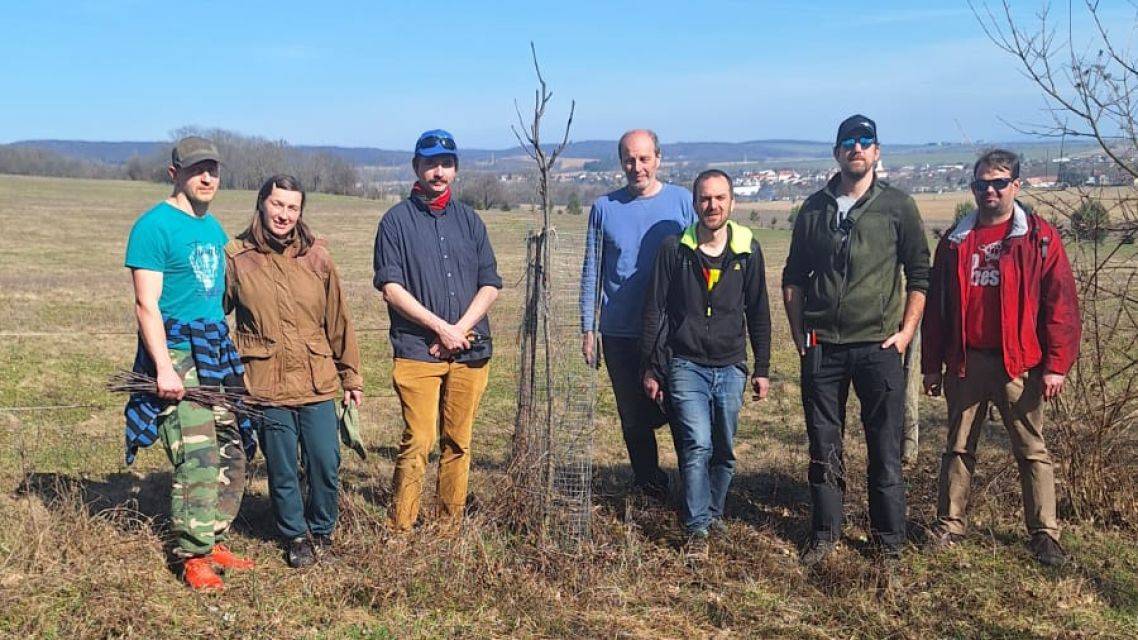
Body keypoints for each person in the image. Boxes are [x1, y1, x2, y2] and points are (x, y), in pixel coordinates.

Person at [781, 115, 930, 571]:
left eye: (866, 141)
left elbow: (919, 274)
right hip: (822, 346)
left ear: (877, 152)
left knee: (884, 447)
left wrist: (905, 333)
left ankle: (889, 542)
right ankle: (825, 533)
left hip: (878, 348)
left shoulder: (898, 207)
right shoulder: (814, 209)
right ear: (837, 153)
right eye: (849, 142)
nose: (857, 148)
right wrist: (798, 332)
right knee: (823, 445)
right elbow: (793, 277)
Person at [922, 149, 1080, 567]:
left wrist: (1056, 364)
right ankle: (950, 524)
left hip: (1020, 363)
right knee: (957, 447)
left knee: (1032, 450)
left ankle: (1045, 534)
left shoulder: (1038, 237)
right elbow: (937, 310)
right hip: (965, 362)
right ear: (973, 188)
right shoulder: (955, 241)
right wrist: (931, 365)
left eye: (998, 182)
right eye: (981, 184)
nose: (989, 190)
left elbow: (1060, 304)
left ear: (1016, 186)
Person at [123, 136, 254, 590]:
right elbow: (146, 305)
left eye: (213, 170)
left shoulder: (212, 227)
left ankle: (212, 535)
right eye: (198, 169)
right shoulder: (153, 227)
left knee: (230, 448)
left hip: (215, 351)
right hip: (179, 352)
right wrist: (162, 367)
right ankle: (192, 555)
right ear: (174, 172)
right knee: (195, 453)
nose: (207, 178)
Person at [225, 174, 364, 568]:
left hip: (316, 377)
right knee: (283, 466)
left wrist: (350, 375)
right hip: (265, 382)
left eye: (292, 207)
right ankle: (296, 535)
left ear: (300, 211)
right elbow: (214, 313)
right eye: (277, 204)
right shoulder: (236, 257)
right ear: (262, 203)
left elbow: (339, 319)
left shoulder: (317, 256)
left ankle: (322, 529)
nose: (284, 214)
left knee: (324, 460)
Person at [373, 129, 502, 532]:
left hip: (470, 351)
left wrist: (458, 331)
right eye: (430, 163)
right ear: (416, 167)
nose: (438, 171)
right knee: (419, 442)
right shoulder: (395, 222)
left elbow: (490, 283)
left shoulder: (470, 221)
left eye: (445, 164)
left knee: (458, 443)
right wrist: (439, 328)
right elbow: (391, 289)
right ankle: (401, 527)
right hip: (416, 351)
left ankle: (448, 527)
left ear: (455, 169)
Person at [641, 170, 771, 544]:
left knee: (724, 450)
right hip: (686, 363)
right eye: (704, 199)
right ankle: (697, 526)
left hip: (731, 365)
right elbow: (656, 310)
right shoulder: (674, 250)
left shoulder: (748, 249)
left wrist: (761, 368)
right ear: (694, 203)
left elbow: (759, 311)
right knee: (696, 443)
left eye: (719, 198)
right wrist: (651, 367)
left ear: (731, 202)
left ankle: (713, 514)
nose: (712, 206)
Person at [579, 129, 697, 499]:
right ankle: (649, 484)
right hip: (620, 331)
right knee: (633, 418)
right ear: (621, 163)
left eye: (644, 158)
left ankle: (692, 488)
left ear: (658, 159)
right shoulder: (604, 208)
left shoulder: (682, 202)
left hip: (673, 330)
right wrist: (588, 327)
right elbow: (592, 270)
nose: (637, 166)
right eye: (630, 159)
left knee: (681, 412)